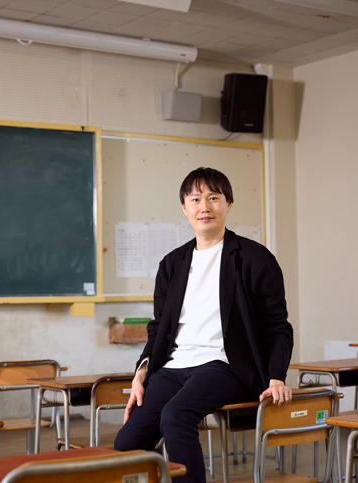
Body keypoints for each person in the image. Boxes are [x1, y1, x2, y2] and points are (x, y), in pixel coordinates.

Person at [114, 167, 294, 482]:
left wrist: (277, 377)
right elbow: (158, 327)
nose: (204, 207)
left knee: (176, 416)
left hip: (226, 365)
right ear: (185, 208)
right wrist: (141, 372)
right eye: (195, 199)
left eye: (213, 198)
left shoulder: (255, 259)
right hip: (174, 365)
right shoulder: (172, 264)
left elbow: (278, 325)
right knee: (127, 442)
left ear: (228, 204)